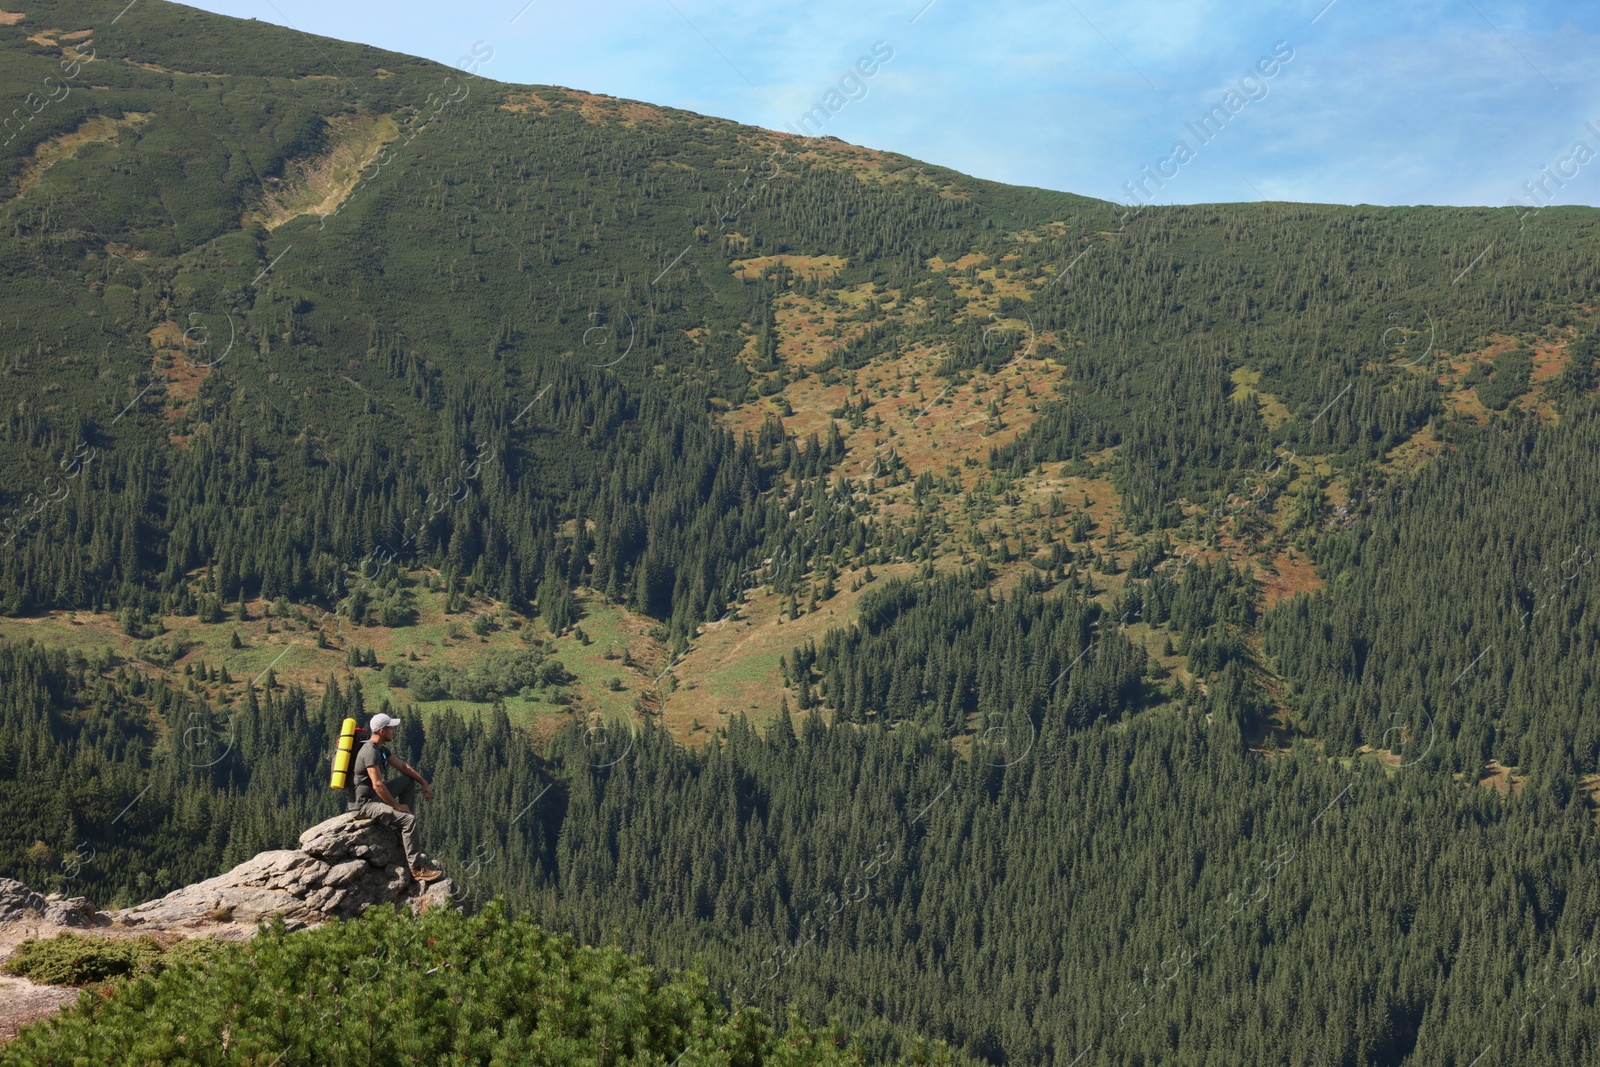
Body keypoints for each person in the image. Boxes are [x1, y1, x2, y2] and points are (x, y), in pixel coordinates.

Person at [351, 712, 442, 882]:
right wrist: (396, 806)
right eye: (391, 728)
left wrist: (423, 783)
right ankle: (416, 869)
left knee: (408, 781)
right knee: (409, 820)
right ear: (381, 731)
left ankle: (404, 831)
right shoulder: (370, 752)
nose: (394, 730)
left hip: (373, 797)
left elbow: (403, 767)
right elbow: (377, 784)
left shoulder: (381, 749)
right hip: (364, 804)